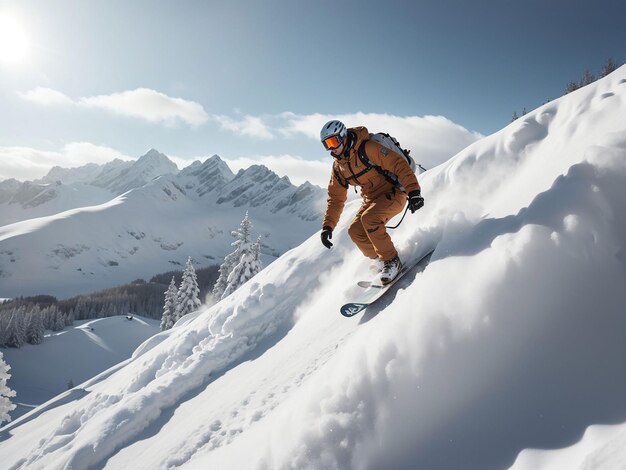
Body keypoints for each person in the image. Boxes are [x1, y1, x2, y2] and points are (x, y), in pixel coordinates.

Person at [319, 120, 424, 284]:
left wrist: (414, 191)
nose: (331, 148)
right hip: (373, 199)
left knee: (370, 219)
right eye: (326, 144)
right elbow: (336, 198)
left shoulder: (367, 149)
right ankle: (383, 260)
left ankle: (392, 261)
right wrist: (328, 226)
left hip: (395, 192)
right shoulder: (339, 167)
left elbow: (398, 165)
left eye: (333, 142)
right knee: (355, 230)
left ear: (343, 136)